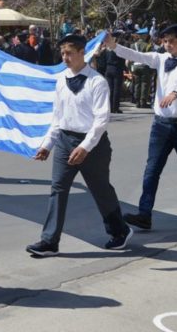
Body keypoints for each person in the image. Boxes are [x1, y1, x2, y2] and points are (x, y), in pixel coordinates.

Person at [26, 34, 133, 256]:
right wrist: (48, 144)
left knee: (100, 189)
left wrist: (85, 147)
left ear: (82, 53)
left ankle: (119, 230)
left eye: (69, 53)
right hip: (65, 141)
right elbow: (57, 117)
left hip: (92, 144)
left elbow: (101, 120)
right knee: (58, 188)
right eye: (63, 53)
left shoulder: (97, 82)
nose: (65, 58)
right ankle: (49, 241)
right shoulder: (61, 80)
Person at [104, 24, 177, 230]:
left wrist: (176, 92)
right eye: (164, 41)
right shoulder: (161, 58)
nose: (167, 45)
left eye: (171, 41)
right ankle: (144, 214)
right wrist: (113, 46)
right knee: (151, 170)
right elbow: (137, 56)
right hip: (161, 125)